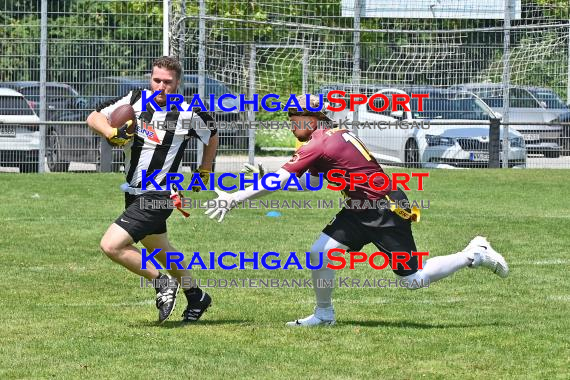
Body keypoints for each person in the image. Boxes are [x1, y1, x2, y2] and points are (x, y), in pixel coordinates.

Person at [205, 94, 509, 327]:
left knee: (413, 280)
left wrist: (234, 198)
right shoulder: (330, 136)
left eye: (293, 118)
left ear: (311, 119)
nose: (290, 123)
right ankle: (324, 314)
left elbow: (284, 179)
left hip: (384, 208)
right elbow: (307, 179)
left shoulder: (317, 144)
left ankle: (474, 253)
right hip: (360, 206)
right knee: (319, 252)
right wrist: (262, 178)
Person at [86, 56, 216, 323]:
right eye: (156, 80)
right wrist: (111, 132)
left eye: (167, 82)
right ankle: (196, 296)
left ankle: (162, 284)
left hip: (159, 195)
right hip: (133, 192)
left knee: (111, 245)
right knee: (160, 248)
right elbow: (94, 116)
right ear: (150, 79)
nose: (161, 86)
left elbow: (212, 134)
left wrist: (205, 171)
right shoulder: (134, 98)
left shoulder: (189, 110)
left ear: (177, 83)